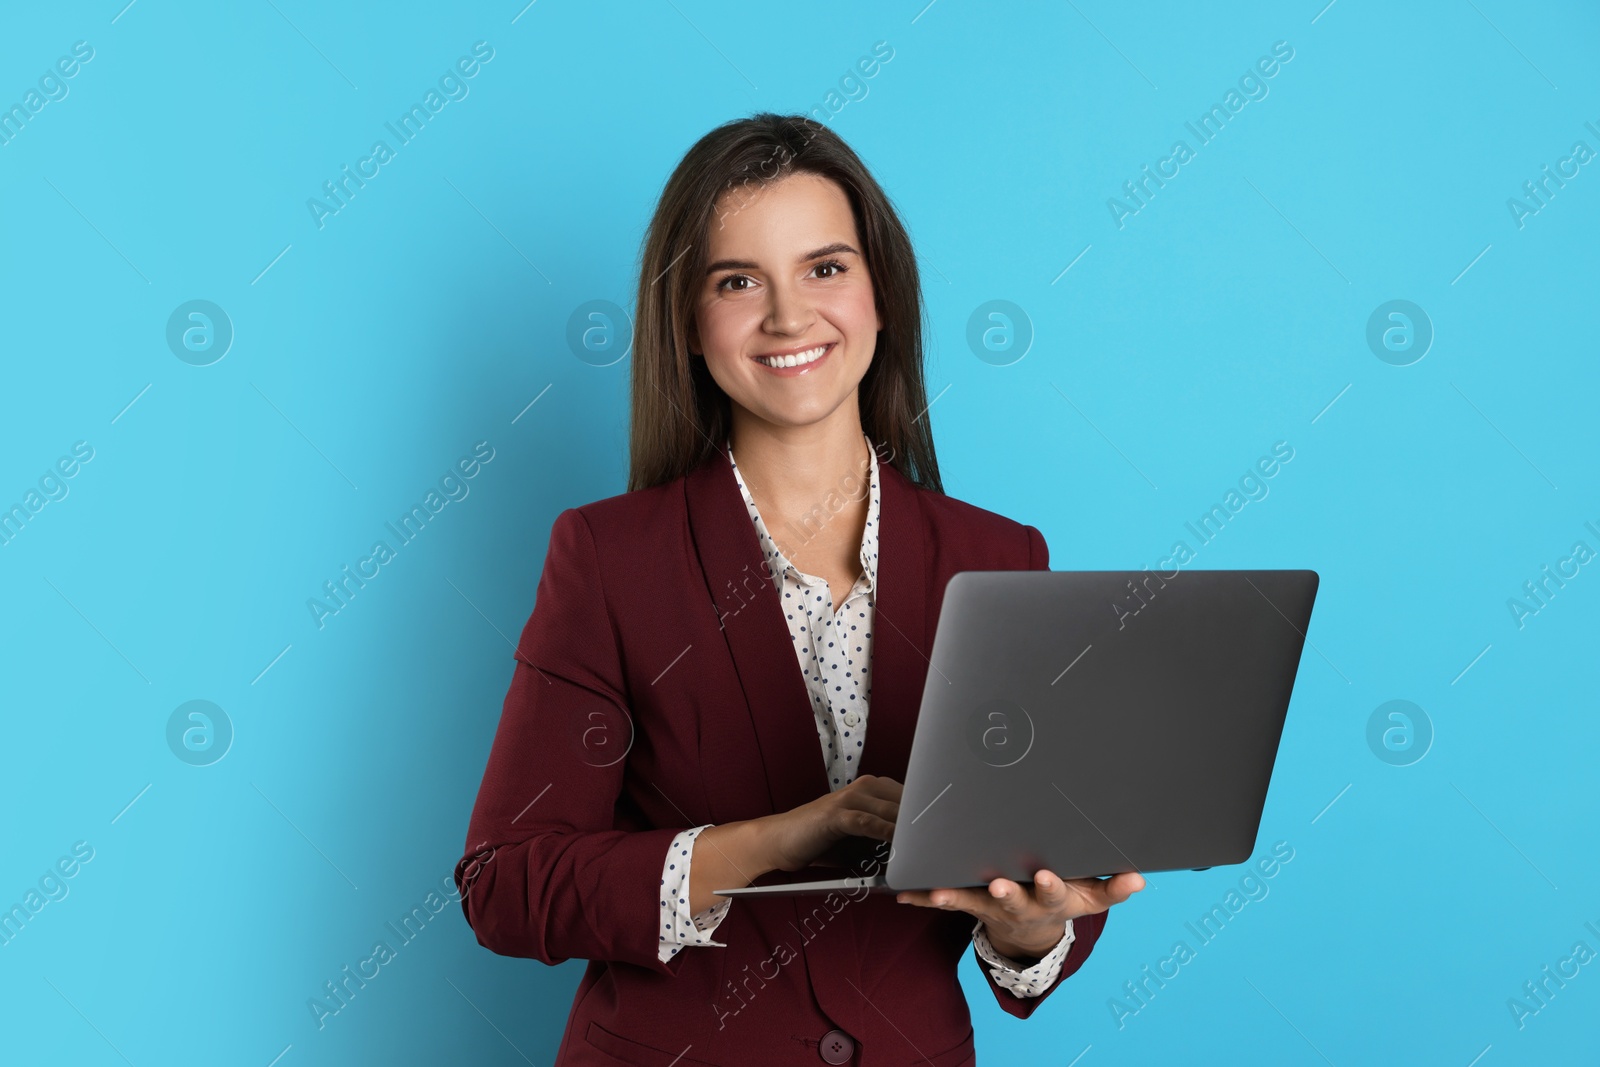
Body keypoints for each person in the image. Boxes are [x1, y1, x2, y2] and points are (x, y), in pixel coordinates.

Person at [455, 112, 1144, 1066]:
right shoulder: (609, 559)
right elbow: (508, 882)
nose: (789, 316)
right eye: (738, 281)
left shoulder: (1000, 558)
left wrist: (1034, 928)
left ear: (880, 295)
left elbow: (1028, 868)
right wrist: (778, 837)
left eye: (826, 268)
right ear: (690, 326)